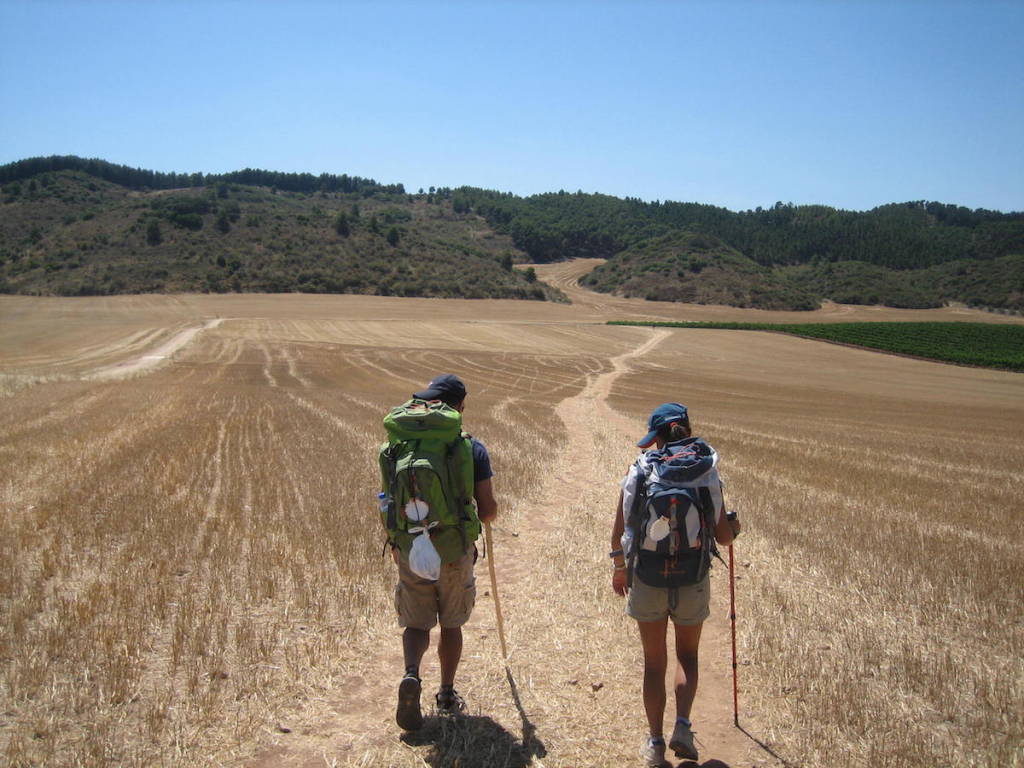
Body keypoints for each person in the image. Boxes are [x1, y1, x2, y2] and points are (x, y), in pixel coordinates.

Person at [610, 403, 741, 767]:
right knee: (688, 656)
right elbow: (724, 537)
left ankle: (654, 745)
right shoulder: (706, 471)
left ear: (657, 437)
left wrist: (620, 569)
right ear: (686, 429)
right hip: (692, 578)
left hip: (648, 578)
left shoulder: (641, 469)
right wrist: (735, 526)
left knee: (654, 664)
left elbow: (620, 532)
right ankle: (682, 727)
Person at [390, 374, 498, 731]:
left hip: (410, 547)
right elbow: (487, 510)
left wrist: (396, 542)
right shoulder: (471, 448)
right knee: (451, 624)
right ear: (461, 406)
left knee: (416, 622)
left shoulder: (399, 446)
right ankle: (447, 693)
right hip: (453, 549)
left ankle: (411, 675)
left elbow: (389, 502)